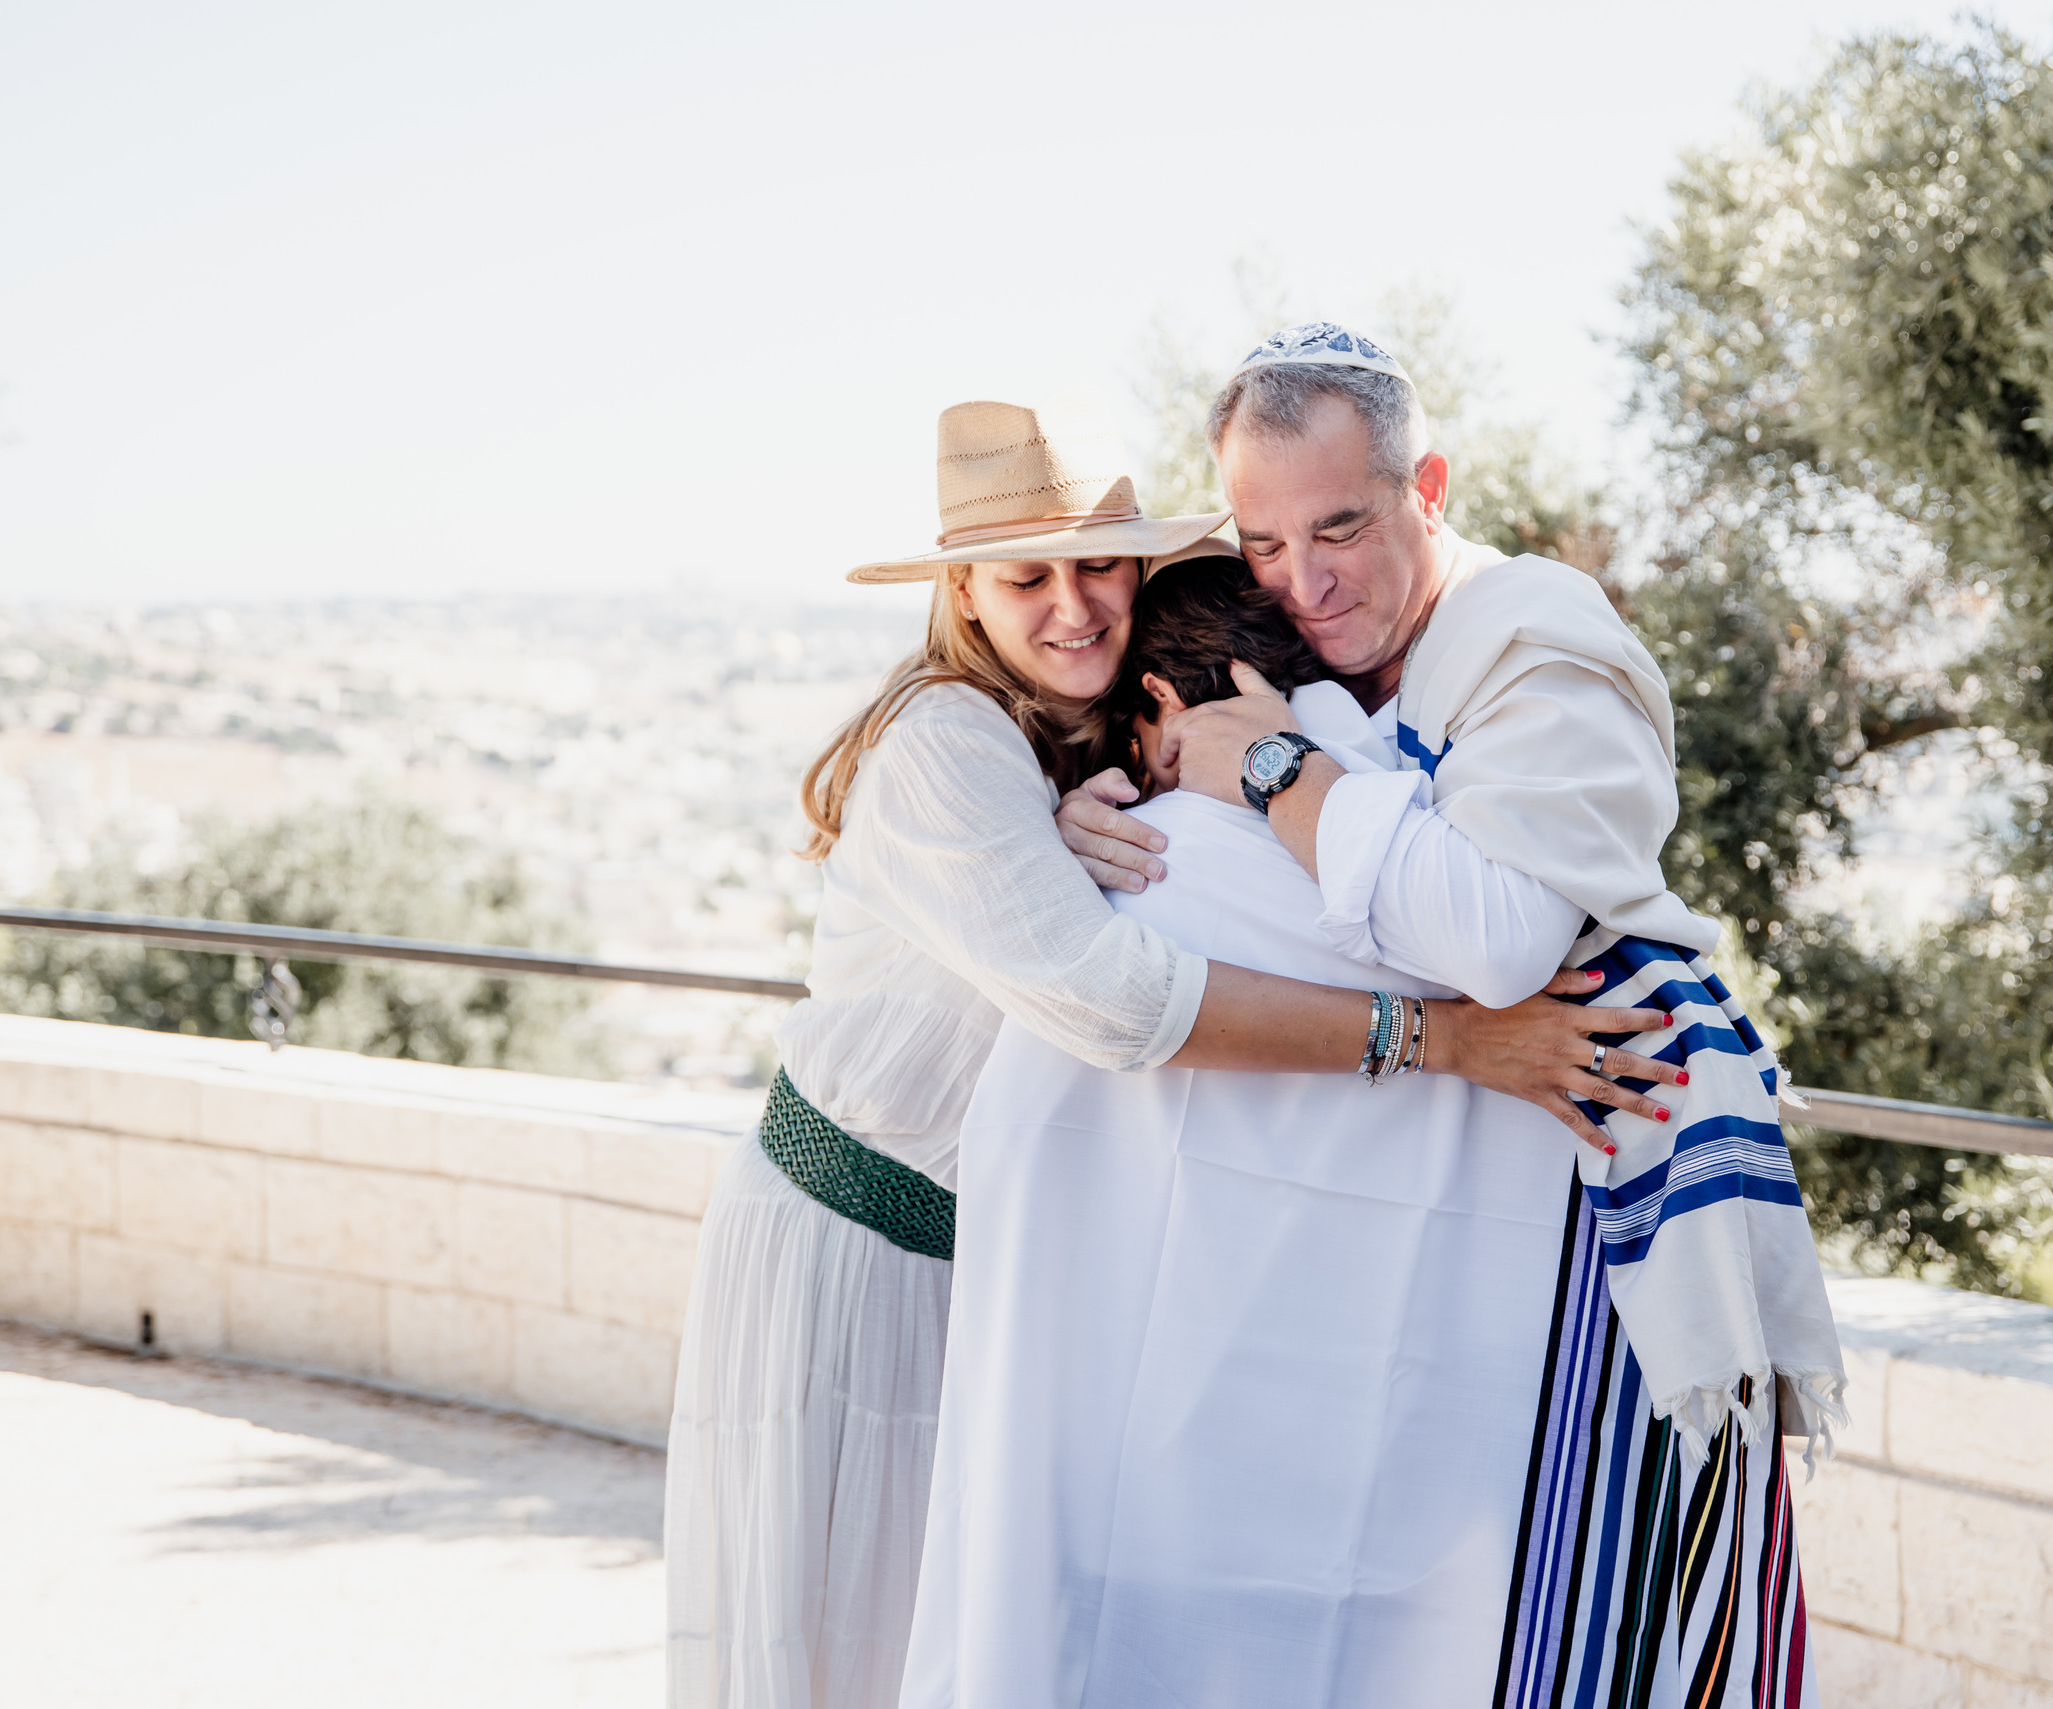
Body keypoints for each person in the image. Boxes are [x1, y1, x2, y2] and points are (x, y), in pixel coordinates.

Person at [663, 397, 1677, 1709]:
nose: (1074, 605)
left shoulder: (1071, 747)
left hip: (956, 1268)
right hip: (843, 1256)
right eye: (1027, 577)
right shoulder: (945, 746)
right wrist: (1448, 1041)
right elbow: (1118, 1007)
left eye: (1100, 567)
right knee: (818, 1648)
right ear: (964, 595)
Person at [1045, 325, 1848, 1706]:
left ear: (1429, 487)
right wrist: (1099, 810)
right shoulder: (1333, 659)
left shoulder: (1538, 642)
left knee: (1615, 1621)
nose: (1305, 582)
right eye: (1267, 546)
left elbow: (1496, 934)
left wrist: (1274, 769)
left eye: (1342, 526)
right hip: (1479, 1225)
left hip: (1619, 1182)